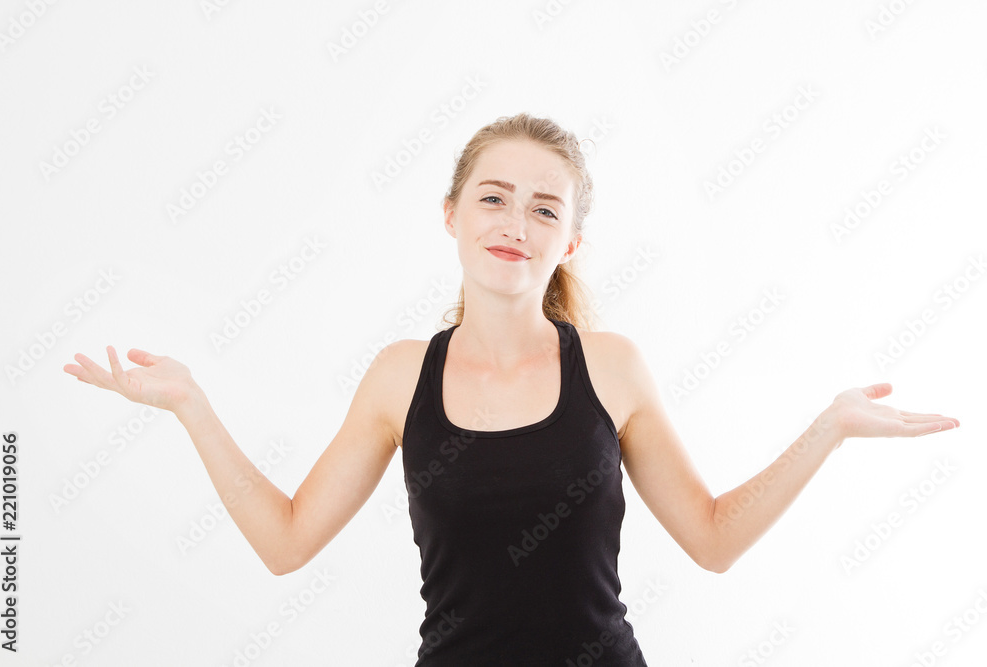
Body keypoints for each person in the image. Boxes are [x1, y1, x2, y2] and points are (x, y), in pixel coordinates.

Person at [64, 112, 960, 665]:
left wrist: (830, 427)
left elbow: (713, 540)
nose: (515, 223)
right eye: (493, 198)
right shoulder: (400, 375)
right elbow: (286, 541)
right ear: (451, 216)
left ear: (569, 241)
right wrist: (191, 404)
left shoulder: (611, 366)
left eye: (545, 208)